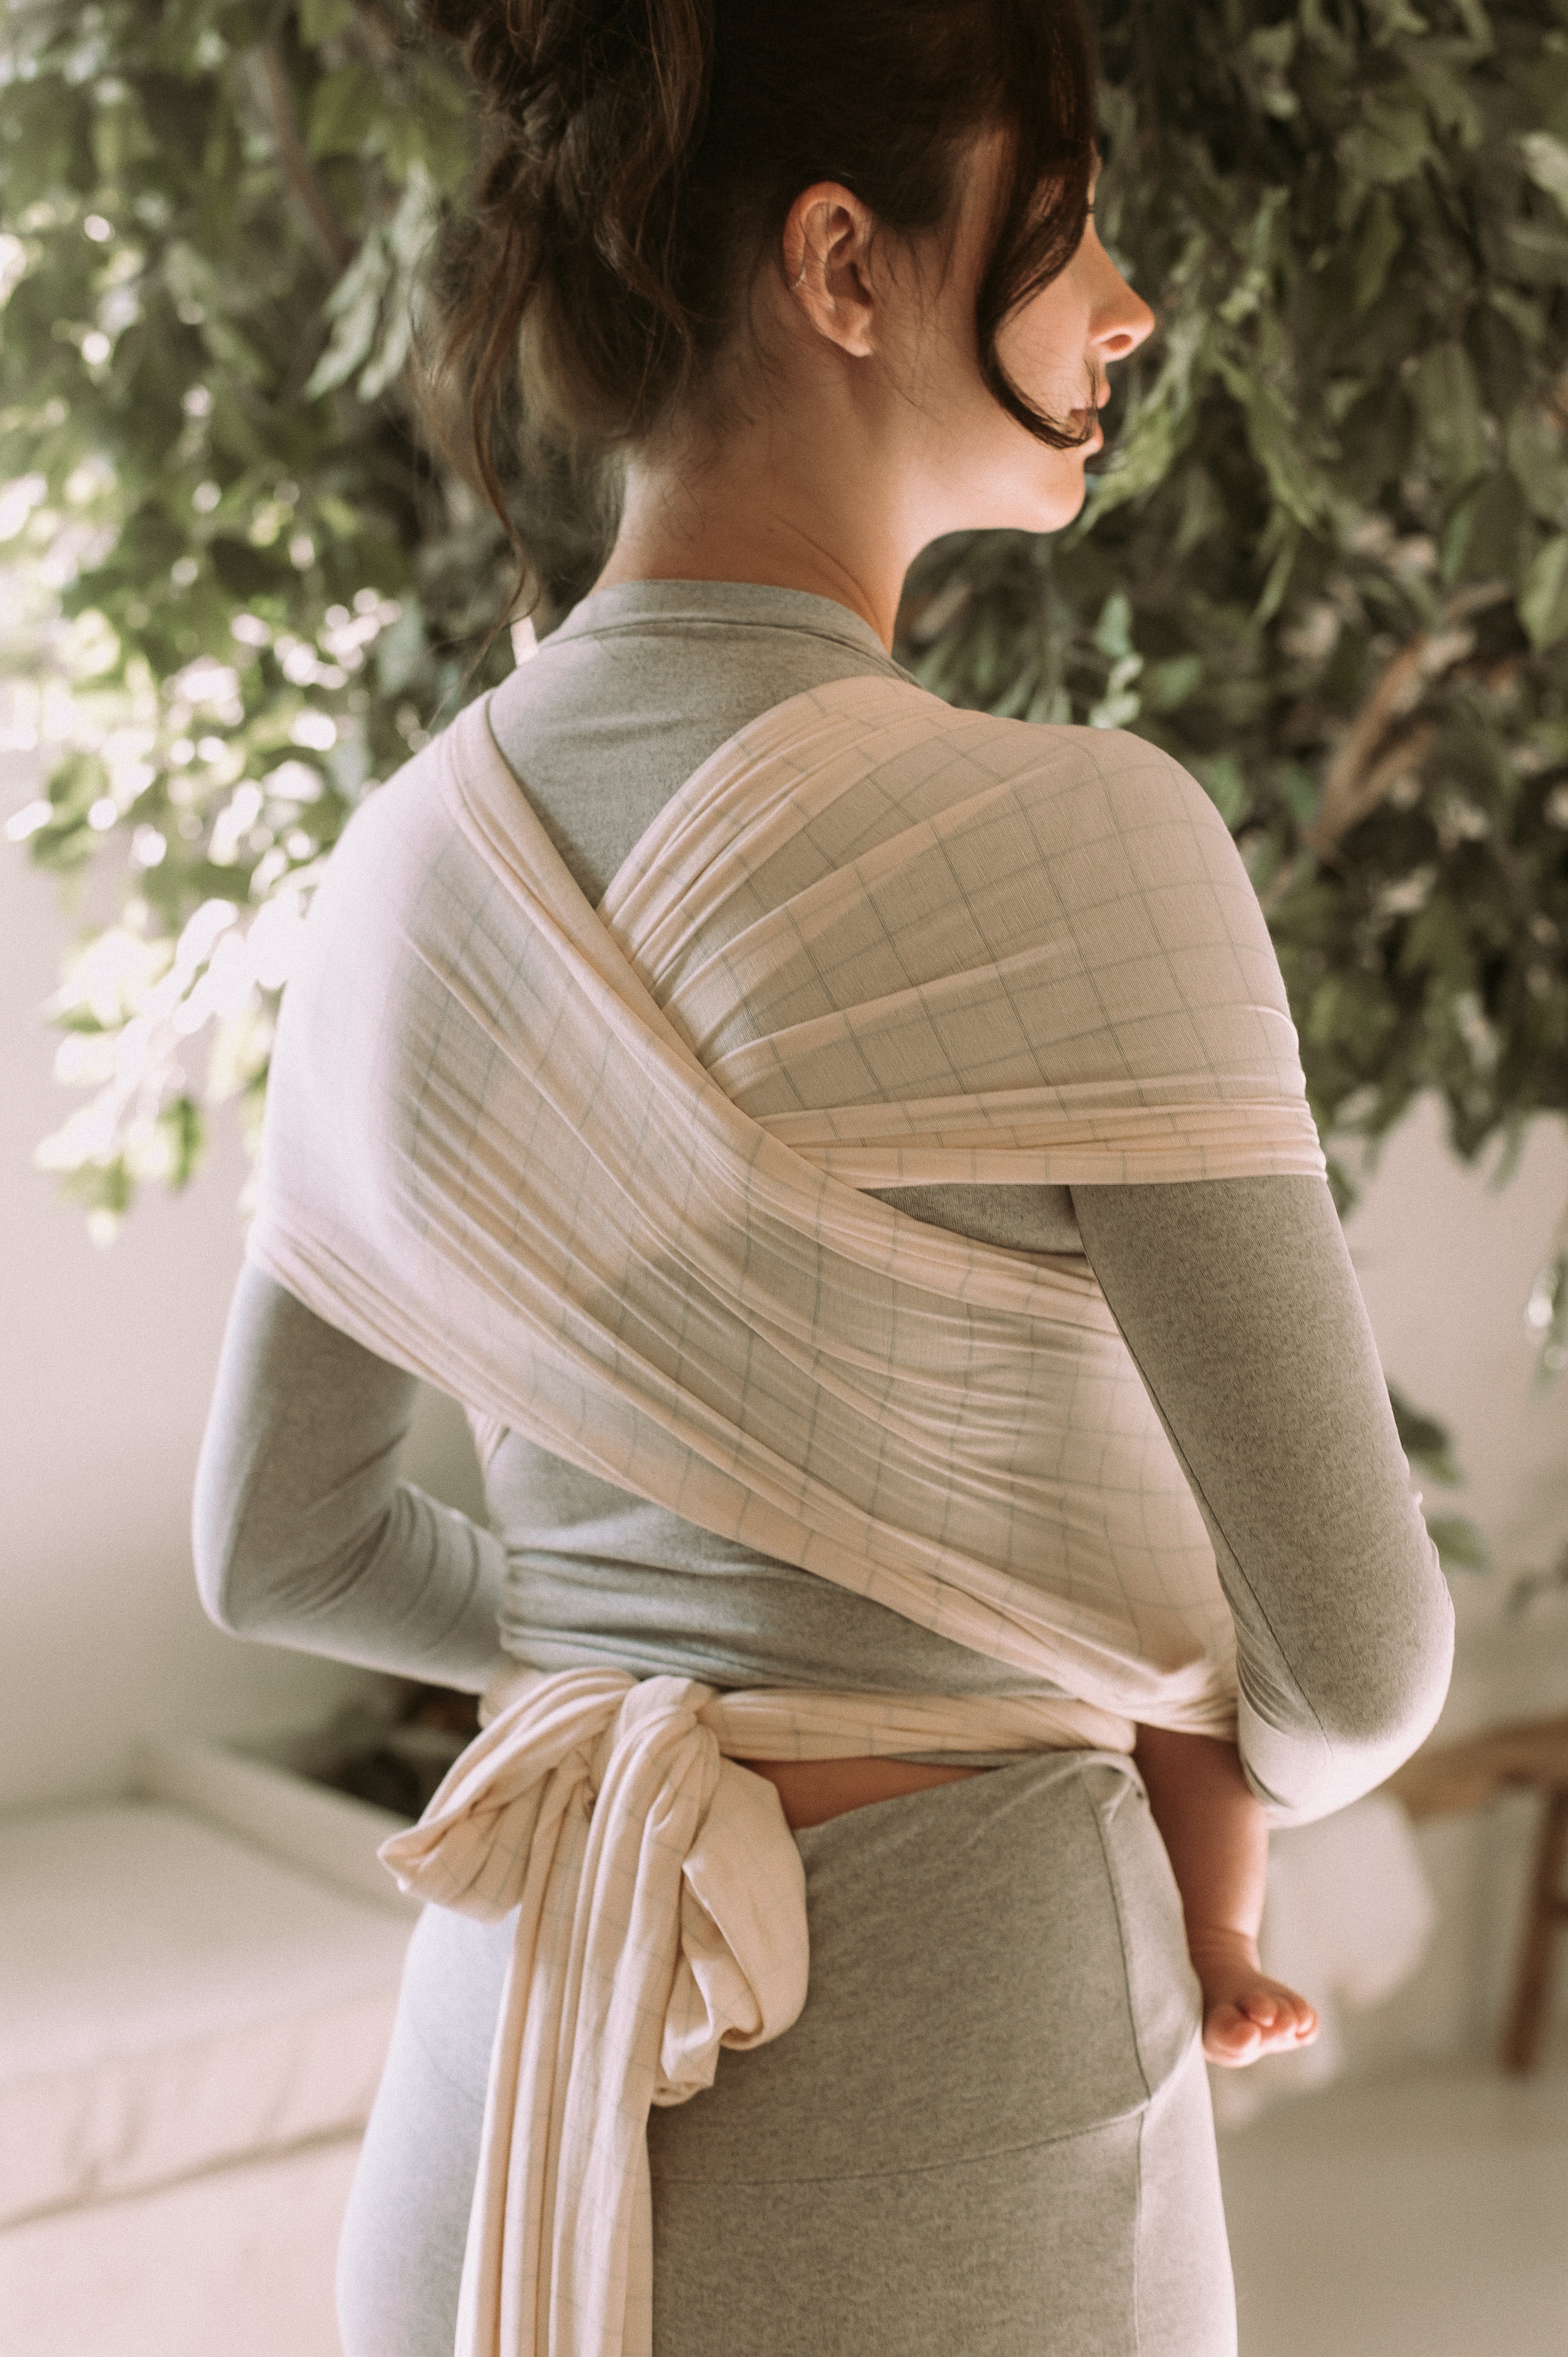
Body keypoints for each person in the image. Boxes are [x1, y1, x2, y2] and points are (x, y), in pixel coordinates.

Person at [192, 3, 1452, 2351]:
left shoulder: (399, 873)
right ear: (844, 264)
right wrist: (1092, 1685)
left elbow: (286, 1545)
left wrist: (653, 1662)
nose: (1127, 309)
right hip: (957, 2104)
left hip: (509, 2062)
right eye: (1065, 229)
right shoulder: (1085, 842)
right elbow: (1360, 1661)